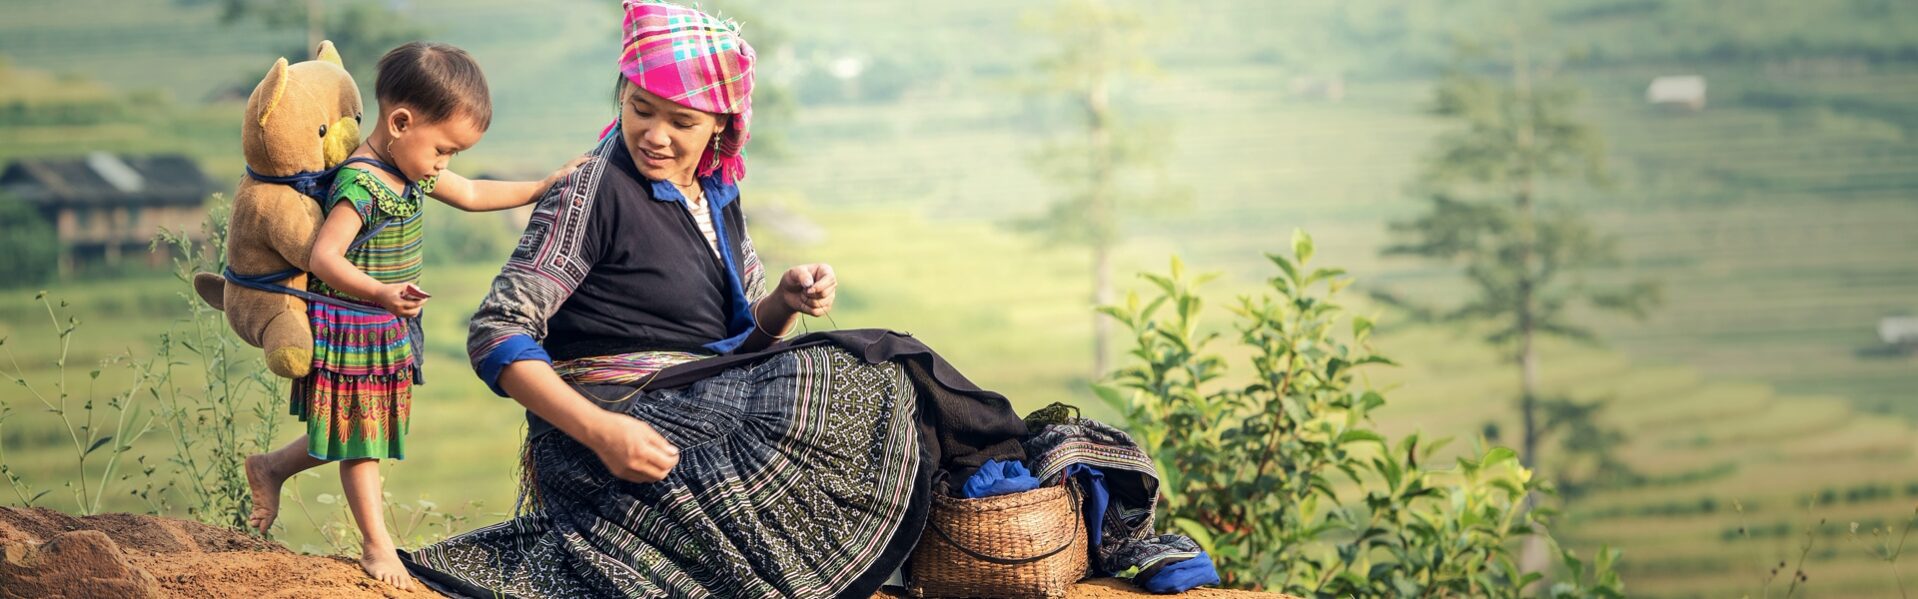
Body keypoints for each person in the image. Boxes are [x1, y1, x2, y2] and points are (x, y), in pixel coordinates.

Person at [401, 3, 1031, 596]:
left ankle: (984, 510)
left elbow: (742, 348)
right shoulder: (592, 189)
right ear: (622, 96)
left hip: (703, 397)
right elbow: (496, 330)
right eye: (641, 109)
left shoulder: (719, 196)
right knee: (854, 371)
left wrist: (784, 301)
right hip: (612, 426)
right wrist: (601, 432)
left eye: (682, 122)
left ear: (721, 127)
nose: (655, 135)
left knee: (879, 372)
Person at [240, 41, 585, 590]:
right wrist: (379, 292)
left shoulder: (411, 169)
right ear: (401, 122)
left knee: (360, 428)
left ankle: (272, 467)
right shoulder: (362, 183)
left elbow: (471, 193)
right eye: (444, 150)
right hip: (354, 324)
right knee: (364, 441)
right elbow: (325, 257)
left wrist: (543, 186)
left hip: (385, 325)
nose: (446, 165)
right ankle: (377, 548)